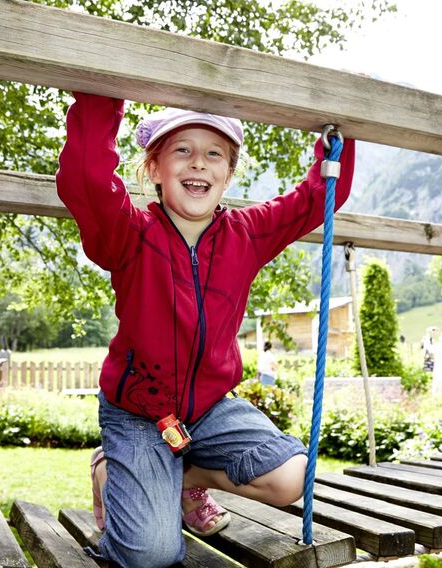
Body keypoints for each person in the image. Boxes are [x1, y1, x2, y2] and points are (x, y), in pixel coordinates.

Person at [56, 92, 356, 568]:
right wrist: (102, 90)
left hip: (210, 408)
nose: (198, 162)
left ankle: (183, 478)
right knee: (150, 554)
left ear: (228, 175)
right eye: (182, 150)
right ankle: (111, 469)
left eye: (214, 153)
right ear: (154, 169)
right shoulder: (128, 234)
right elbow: (87, 178)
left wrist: (341, 131)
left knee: (291, 477)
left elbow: (319, 198)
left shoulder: (246, 234)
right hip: (139, 411)